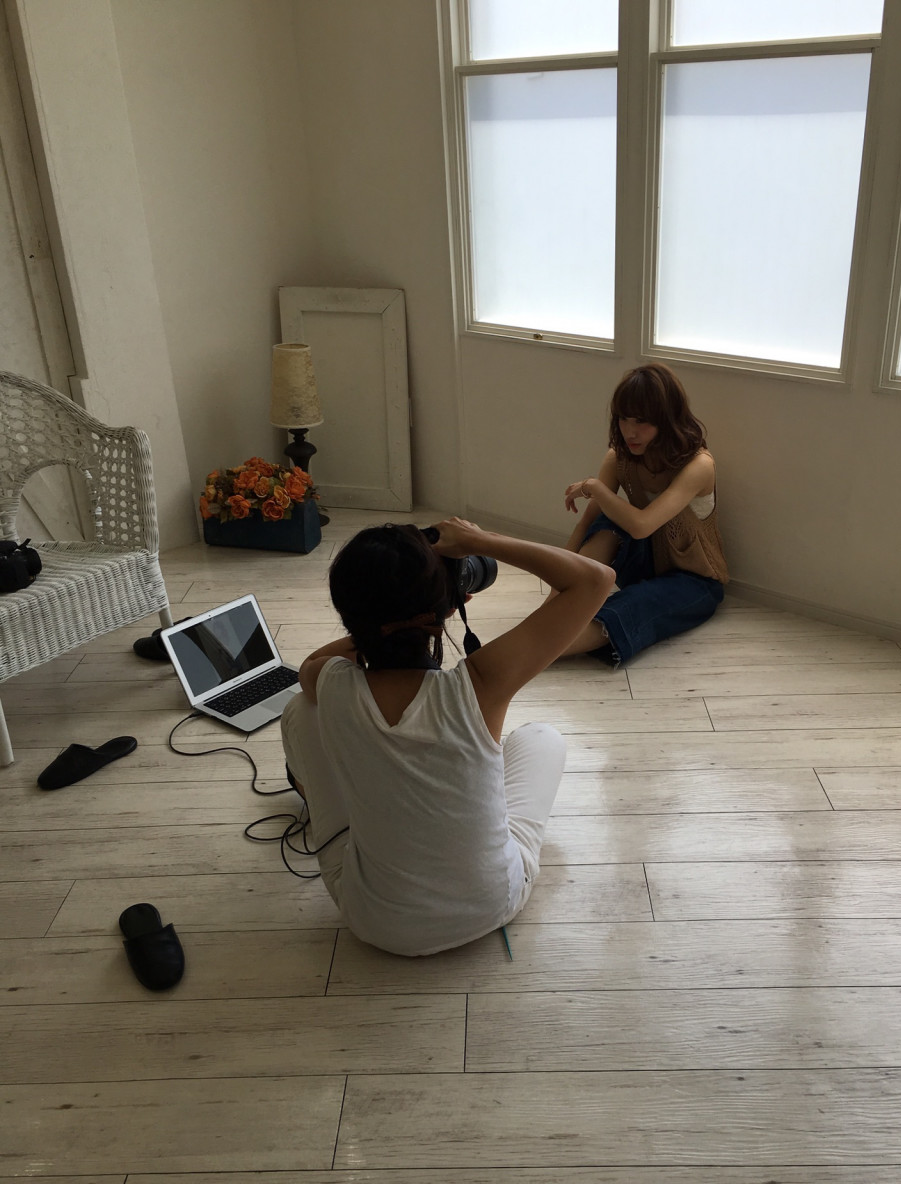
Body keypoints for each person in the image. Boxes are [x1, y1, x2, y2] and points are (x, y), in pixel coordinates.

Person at [281, 519, 614, 956]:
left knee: (300, 709)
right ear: (451, 606)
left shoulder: (329, 680)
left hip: (374, 921)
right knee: (542, 737)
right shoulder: (479, 684)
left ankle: (318, 792)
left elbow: (309, 667)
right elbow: (595, 580)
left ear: (347, 614)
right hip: (492, 904)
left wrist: (383, 620)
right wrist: (481, 540)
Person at [560, 361, 729, 664]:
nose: (630, 431)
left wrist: (594, 487)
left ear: (667, 419)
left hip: (694, 582)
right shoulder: (619, 457)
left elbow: (642, 525)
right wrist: (557, 592)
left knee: (628, 606)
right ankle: (563, 608)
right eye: (623, 419)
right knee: (607, 519)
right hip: (643, 563)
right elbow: (588, 523)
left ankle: (523, 657)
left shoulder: (698, 465)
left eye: (642, 421)